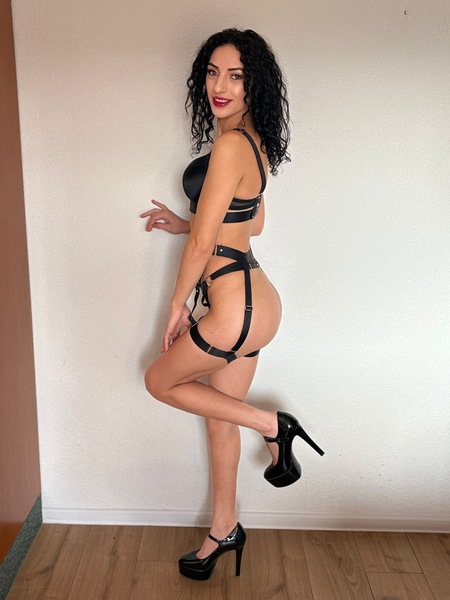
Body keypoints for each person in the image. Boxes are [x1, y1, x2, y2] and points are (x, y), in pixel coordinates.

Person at [140, 28, 324, 581]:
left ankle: (273, 425)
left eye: (236, 76)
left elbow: (206, 242)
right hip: (256, 302)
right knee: (218, 418)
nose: (220, 85)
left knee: (159, 381)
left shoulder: (229, 145)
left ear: (253, 84)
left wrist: (177, 305)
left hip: (233, 309)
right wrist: (184, 223)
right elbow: (251, 223)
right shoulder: (252, 142)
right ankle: (224, 528)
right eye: (213, 72)